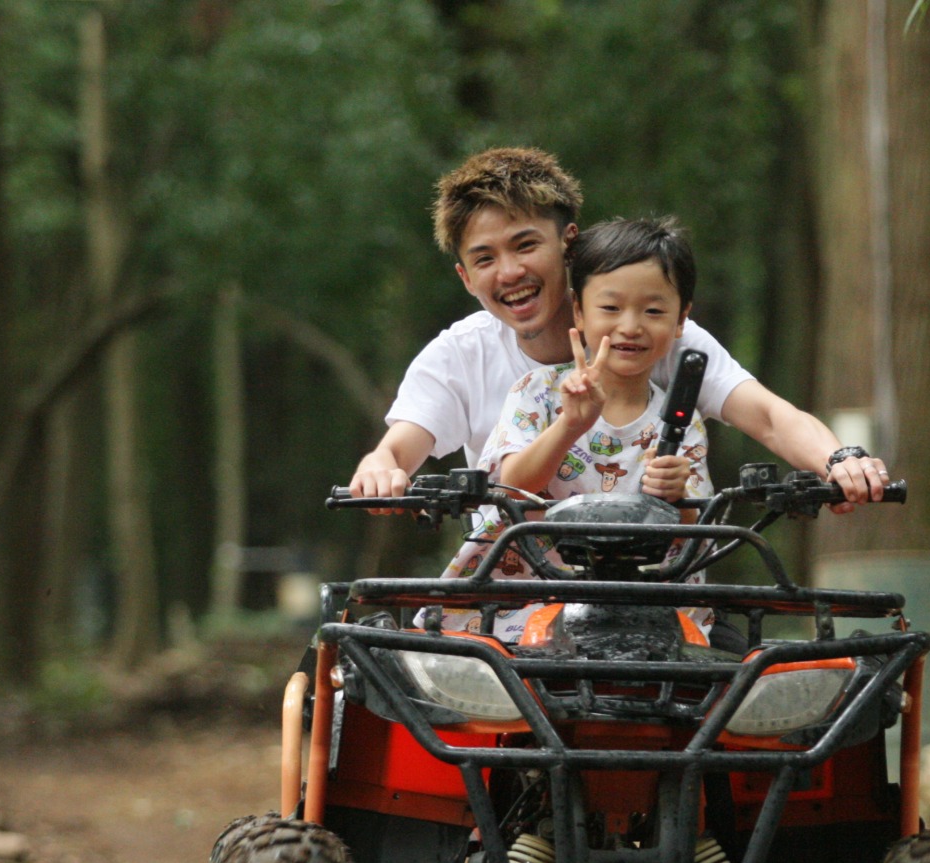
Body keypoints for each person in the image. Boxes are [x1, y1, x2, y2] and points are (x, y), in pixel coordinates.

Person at [347, 147, 890, 511]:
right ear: (466, 277)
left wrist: (840, 461)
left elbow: (770, 418)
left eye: (525, 245)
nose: (509, 273)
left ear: (569, 243)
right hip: (520, 592)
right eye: (485, 258)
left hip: (652, 584)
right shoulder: (461, 356)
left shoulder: (657, 338)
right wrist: (378, 470)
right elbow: (395, 453)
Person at [439, 217, 715, 639]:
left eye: (654, 311)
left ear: (681, 320)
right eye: (611, 308)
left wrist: (677, 494)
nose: (630, 326)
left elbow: (697, 530)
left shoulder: (683, 421)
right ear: (579, 311)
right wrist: (569, 425)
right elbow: (512, 487)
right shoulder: (537, 392)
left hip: (644, 611)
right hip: (523, 604)